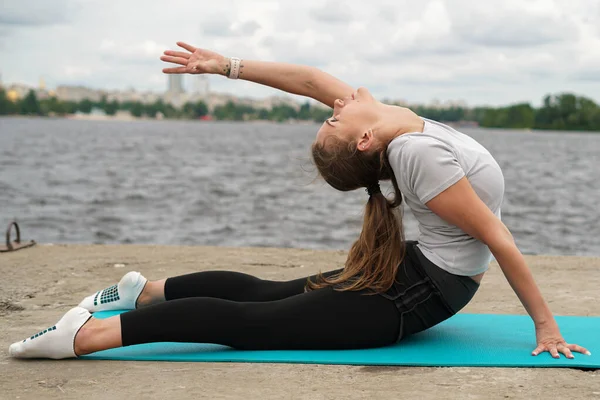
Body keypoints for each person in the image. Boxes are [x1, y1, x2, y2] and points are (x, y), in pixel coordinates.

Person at [9, 42, 589, 360]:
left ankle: (111, 314)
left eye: (331, 118)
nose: (333, 108)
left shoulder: (402, 136)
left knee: (262, 310)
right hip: (419, 284)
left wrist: (225, 67)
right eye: (333, 121)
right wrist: (546, 327)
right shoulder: (406, 144)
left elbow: (311, 80)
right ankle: (109, 318)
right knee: (258, 310)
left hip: (419, 284)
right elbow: (499, 236)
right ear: (364, 139)